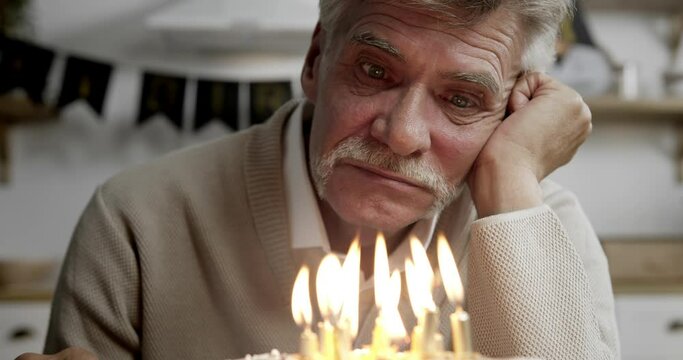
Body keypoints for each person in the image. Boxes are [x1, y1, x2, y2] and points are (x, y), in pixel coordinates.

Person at [18, 0, 620, 359]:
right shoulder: (138, 222)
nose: (403, 133)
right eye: (374, 69)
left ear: (512, 109)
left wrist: (512, 179)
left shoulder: (540, 229)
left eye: (462, 98)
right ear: (315, 61)